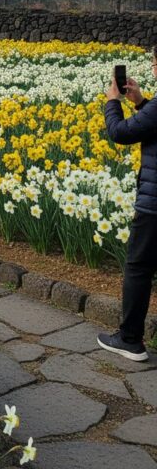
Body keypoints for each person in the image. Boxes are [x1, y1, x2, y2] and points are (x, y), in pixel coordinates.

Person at [99, 57, 157, 362]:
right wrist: (141, 102)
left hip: (153, 204)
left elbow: (120, 133)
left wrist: (113, 102)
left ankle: (130, 339)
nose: (152, 68)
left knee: (139, 268)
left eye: (154, 62)